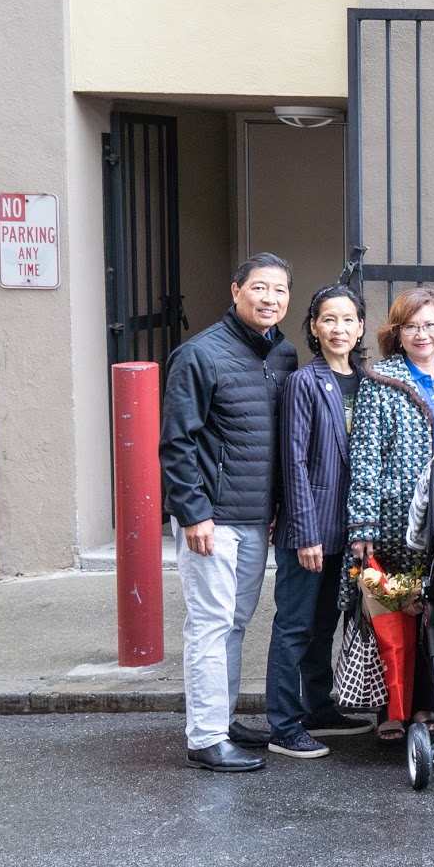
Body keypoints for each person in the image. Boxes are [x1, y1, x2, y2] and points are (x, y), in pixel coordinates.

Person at [160, 254, 298, 772]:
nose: (270, 299)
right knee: (210, 624)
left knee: (236, 622)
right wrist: (193, 513)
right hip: (211, 520)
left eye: (280, 290)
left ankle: (223, 717)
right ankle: (205, 736)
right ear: (235, 290)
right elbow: (177, 443)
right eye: (259, 288)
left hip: (254, 516)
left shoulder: (282, 353)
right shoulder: (198, 356)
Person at [346, 287, 434, 741]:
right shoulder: (379, 379)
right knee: (394, 610)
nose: (423, 333)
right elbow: (364, 458)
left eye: (432, 324)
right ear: (397, 333)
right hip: (395, 513)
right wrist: (363, 526)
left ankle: (429, 706)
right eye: (412, 326)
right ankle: (391, 709)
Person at [265, 282, 375, 760]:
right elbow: (294, 463)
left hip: (346, 530)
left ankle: (318, 709)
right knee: (294, 626)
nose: (339, 328)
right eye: (329, 319)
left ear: (360, 327)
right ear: (313, 327)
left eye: (348, 319)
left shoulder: (369, 379)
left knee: (326, 623)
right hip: (308, 530)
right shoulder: (303, 383)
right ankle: (284, 725)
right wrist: (305, 533)